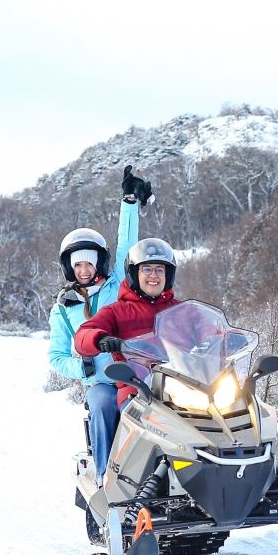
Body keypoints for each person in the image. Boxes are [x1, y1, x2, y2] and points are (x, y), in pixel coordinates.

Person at [48, 166, 152, 480]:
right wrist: (83, 369)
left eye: (88, 263)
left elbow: (127, 242)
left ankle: (159, 478)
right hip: (101, 382)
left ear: (99, 263)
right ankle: (108, 479)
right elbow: (57, 357)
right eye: (77, 264)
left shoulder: (118, 282)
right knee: (106, 408)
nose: (83, 270)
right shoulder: (64, 309)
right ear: (69, 267)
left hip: (137, 372)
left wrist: (130, 202)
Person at [73, 237, 181, 409]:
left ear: (168, 275)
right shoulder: (116, 311)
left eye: (159, 270)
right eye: (147, 269)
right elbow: (83, 335)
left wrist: (228, 340)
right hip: (137, 389)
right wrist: (99, 339)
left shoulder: (181, 310)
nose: (153, 275)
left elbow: (210, 331)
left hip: (181, 387)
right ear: (134, 274)